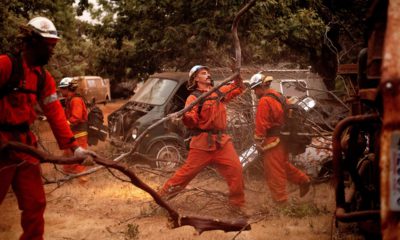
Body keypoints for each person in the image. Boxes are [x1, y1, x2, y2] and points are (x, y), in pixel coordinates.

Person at [0, 16, 95, 240]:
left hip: (24, 146)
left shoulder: (44, 78)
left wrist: (74, 148)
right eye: (49, 46)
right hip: (1, 144)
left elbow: (56, 115)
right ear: (31, 42)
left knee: (36, 204)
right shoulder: (5, 65)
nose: (52, 52)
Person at [158, 65, 246, 208]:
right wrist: (184, 117)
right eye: (204, 73)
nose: (208, 75)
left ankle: (237, 206)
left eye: (208, 73)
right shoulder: (193, 98)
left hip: (222, 142)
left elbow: (238, 88)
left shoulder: (219, 92)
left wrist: (236, 73)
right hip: (202, 144)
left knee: (236, 169)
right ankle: (160, 199)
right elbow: (192, 120)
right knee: (185, 175)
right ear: (196, 79)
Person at [249, 72, 310, 204]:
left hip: (272, 142)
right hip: (283, 139)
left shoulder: (265, 100)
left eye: (255, 89)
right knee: (283, 166)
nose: (254, 92)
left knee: (274, 172)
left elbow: (261, 123)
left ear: (261, 86)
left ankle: (281, 203)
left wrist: (258, 140)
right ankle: (303, 180)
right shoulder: (279, 96)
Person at [58, 78, 89, 176]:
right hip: (72, 133)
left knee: (79, 156)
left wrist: (65, 124)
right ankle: (68, 176)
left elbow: (76, 117)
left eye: (63, 88)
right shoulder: (69, 100)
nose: (61, 90)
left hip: (79, 133)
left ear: (69, 88)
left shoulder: (76, 100)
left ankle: (82, 179)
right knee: (68, 155)